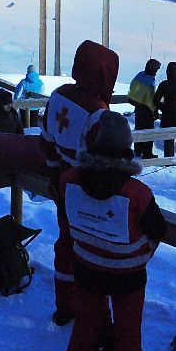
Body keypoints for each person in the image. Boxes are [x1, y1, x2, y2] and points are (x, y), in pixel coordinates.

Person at [59, 112, 167, 351]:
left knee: (84, 328)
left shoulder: (68, 179)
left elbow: (65, 213)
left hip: (85, 267)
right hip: (128, 277)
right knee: (128, 336)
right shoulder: (138, 192)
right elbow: (157, 228)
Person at [40, 40, 120, 326]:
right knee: (92, 252)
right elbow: (103, 161)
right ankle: (94, 314)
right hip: (86, 191)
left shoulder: (58, 95)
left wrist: (53, 175)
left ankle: (65, 305)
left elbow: (47, 140)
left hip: (62, 182)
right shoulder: (97, 111)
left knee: (65, 245)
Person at [127, 59, 160, 160]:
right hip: (147, 110)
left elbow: (133, 88)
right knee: (148, 131)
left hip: (138, 107)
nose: (156, 72)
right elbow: (152, 98)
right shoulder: (150, 81)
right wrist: (155, 111)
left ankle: (137, 150)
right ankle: (147, 153)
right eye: (156, 69)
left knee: (139, 128)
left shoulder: (139, 76)